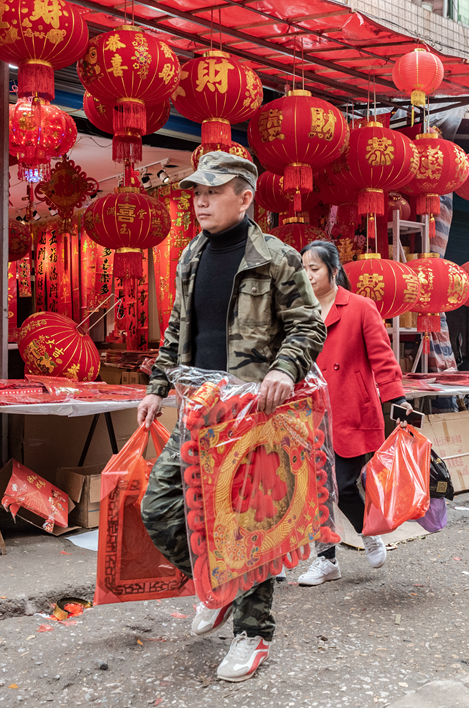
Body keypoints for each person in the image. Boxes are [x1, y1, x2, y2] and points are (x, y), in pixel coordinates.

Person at [136, 152, 325, 683]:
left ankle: (252, 632)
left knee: (248, 524)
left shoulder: (277, 257)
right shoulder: (191, 255)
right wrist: (156, 388)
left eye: (212, 191)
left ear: (244, 197)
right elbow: (177, 330)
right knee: (159, 507)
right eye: (196, 191)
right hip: (199, 410)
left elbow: (309, 326)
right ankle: (214, 585)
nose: (199, 200)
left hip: (253, 413)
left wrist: (285, 371)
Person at [294, 240, 410, 586]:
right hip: (308, 412)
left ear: (333, 270)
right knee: (314, 488)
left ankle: (368, 532)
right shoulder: (299, 312)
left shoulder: (360, 307)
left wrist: (397, 400)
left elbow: (382, 357)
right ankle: (326, 560)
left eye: (314, 268)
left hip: (349, 408)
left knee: (342, 485)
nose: (308, 275)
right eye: (303, 269)